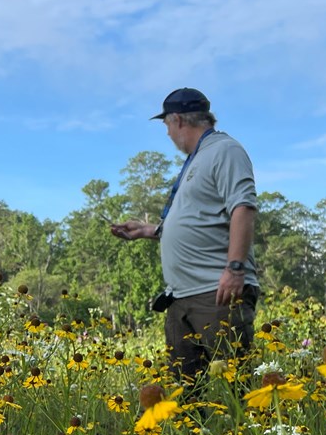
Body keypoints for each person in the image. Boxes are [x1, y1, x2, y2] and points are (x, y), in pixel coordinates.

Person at [111, 88, 259, 383]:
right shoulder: (195, 160)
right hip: (181, 298)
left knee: (240, 392)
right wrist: (148, 231)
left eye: (166, 124)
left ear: (177, 119)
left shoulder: (224, 150)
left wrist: (234, 268)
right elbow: (200, 220)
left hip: (216, 293)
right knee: (186, 397)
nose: (166, 133)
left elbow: (243, 207)